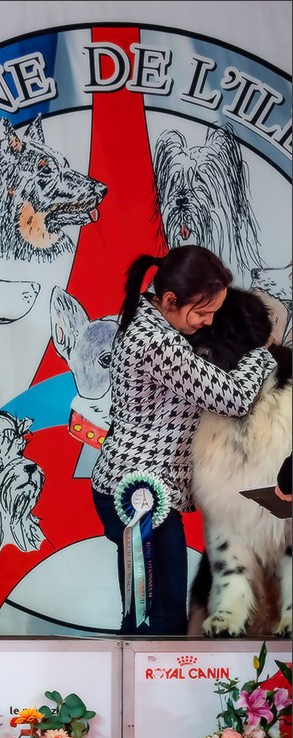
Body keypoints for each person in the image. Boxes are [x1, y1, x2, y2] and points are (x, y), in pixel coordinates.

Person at [90, 245, 276, 636]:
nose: (208, 322)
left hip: (138, 483)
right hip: (140, 491)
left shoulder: (155, 322)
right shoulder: (158, 343)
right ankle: (143, 694)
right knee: (158, 616)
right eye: (203, 312)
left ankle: (133, 690)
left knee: (147, 609)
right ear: (171, 300)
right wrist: (262, 355)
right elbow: (232, 398)